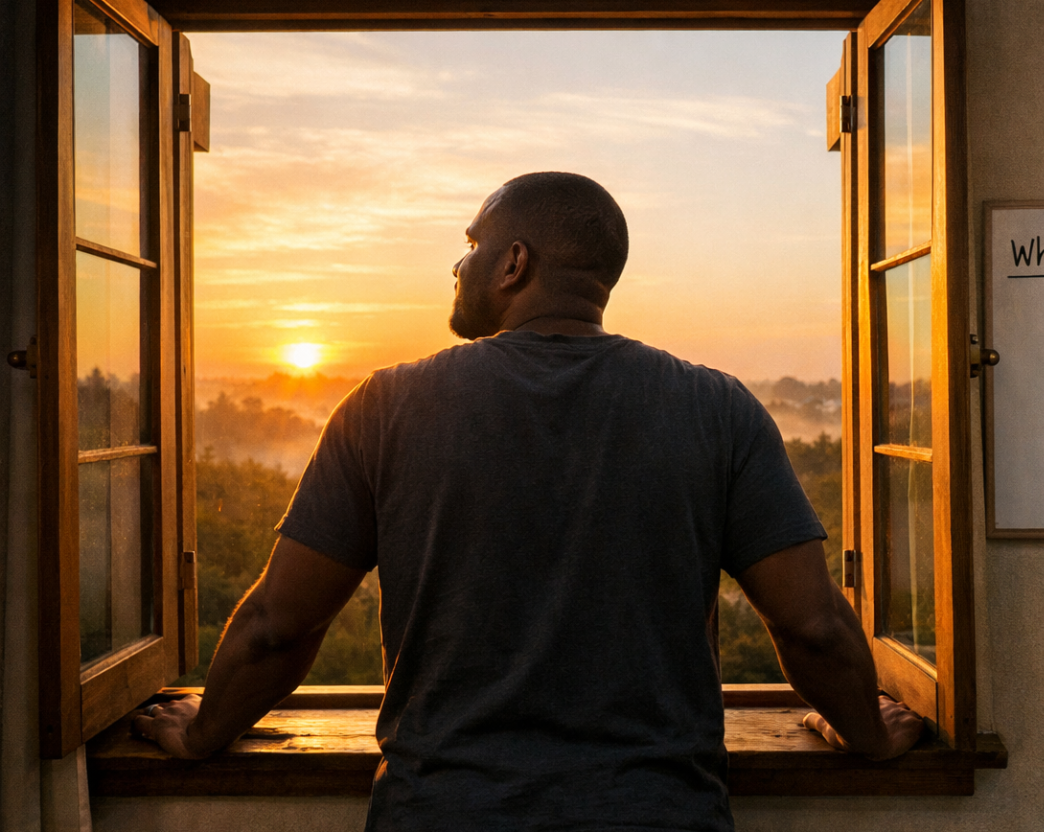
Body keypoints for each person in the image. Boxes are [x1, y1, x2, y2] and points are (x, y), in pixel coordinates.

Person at [134, 172, 923, 830]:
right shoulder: (717, 409)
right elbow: (813, 626)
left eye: (471, 246)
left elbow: (280, 624)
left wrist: (205, 732)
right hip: (657, 815)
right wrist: (868, 735)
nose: (459, 264)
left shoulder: (388, 406)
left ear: (514, 263)